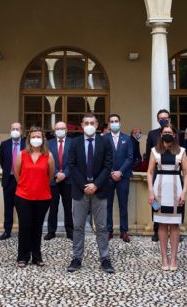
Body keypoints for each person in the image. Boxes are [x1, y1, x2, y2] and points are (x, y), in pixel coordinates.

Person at [67, 113, 114, 274]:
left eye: (91, 123)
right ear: (81, 125)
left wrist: (96, 185)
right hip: (80, 191)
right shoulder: (74, 142)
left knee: (102, 227)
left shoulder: (105, 142)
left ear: (97, 125)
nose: (89, 125)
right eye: (86, 123)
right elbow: (72, 165)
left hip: (100, 190)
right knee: (78, 226)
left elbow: (108, 165)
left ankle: (105, 258)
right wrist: (84, 185)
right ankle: (77, 258)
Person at [147, 124, 187, 271]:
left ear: (174, 135)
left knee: (174, 225)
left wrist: (184, 192)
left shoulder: (181, 151)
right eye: (165, 132)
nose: (167, 134)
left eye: (170, 132)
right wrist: (150, 191)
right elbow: (150, 173)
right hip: (159, 191)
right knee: (161, 224)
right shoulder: (154, 151)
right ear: (160, 134)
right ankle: (164, 258)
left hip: (176, 191)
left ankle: (173, 258)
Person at [14, 127, 55, 267]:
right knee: (25, 226)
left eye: (39, 137)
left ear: (43, 139)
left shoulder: (48, 156)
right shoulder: (22, 154)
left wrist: (39, 185)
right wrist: (26, 185)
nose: (36, 139)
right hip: (23, 196)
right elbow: (17, 174)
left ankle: (36, 256)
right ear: (29, 139)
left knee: (37, 227)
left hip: (42, 197)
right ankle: (23, 256)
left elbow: (50, 176)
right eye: (33, 137)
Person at [144, 109, 177, 242]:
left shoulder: (176, 132)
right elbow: (148, 155)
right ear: (158, 120)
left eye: (166, 118)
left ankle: (174, 229)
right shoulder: (152, 134)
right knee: (156, 202)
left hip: (173, 172)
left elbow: (180, 152)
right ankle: (156, 230)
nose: (163, 120)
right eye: (161, 118)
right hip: (157, 172)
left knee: (175, 201)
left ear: (169, 119)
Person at [105, 114, 134, 242]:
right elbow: (103, 158)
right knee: (108, 205)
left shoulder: (127, 138)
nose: (114, 123)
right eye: (112, 121)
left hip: (123, 176)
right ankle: (109, 230)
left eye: (116, 121)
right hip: (108, 177)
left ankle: (124, 231)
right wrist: (112, 172)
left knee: (123, 205)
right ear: (109, 124)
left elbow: (130, 157)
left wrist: (120, 172)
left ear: (120, 123)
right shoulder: (104, 138)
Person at [45, 121, 73, 240]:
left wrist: (65, 174)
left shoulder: (72, 143)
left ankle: (70, 231)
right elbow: (46, 160)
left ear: (66, 130)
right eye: (58, 129)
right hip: (53, 180)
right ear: (54, 131)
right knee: (53, 207)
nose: (60, 131)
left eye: (62, 128)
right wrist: (56, 173)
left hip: (68, 180)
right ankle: (51, 231)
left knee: (68, 207)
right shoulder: (49, 143)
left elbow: (74, 161)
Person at [0, 122, 25, 240]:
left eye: (17, 129)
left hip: (23, 181)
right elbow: (2, 161)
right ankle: (7, 231)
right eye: (13, 129)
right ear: (10, 130)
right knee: (8, 207)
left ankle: (23, 231)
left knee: (23, 207)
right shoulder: (4, 144)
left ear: (21, 131)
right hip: (8, 180)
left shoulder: (27, 144)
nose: (15, 131)